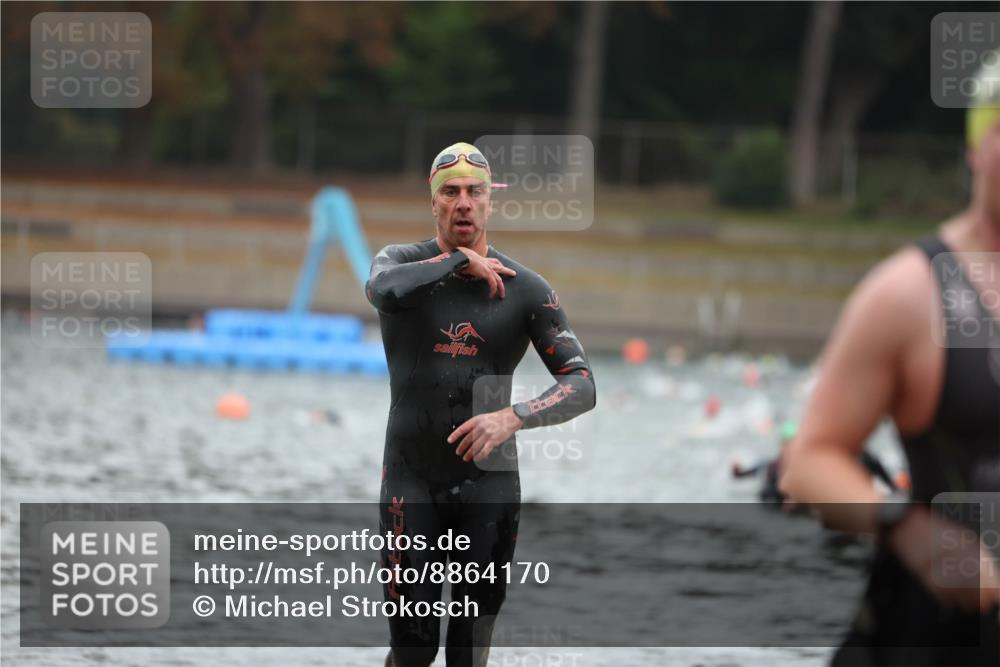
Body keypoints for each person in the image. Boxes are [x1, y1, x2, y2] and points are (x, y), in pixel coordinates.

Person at [780, 59, 1000, 666]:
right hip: (949, 623)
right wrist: (910, 529)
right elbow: (811, 461)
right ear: (978, 148)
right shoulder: (910, 293)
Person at [365, 142, 596, 667]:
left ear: (490, 202)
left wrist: (515, 416)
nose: (463, 203)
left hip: (488, 488)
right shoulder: (399, 264)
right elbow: (379, 290)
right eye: (451, 193)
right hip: (410, 481)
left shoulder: (526, 290)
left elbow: (582, 383)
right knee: (414, 652)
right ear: (434, 203)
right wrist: (457, 262)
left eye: (475, 192)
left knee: (468, 655)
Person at [732, 421, 897, 505]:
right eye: (787, 443)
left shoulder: (812, 467)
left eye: (795, 443)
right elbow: (747, 474)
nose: (791, 448)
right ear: (781, 445)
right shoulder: (771, 465)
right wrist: (738, 472)